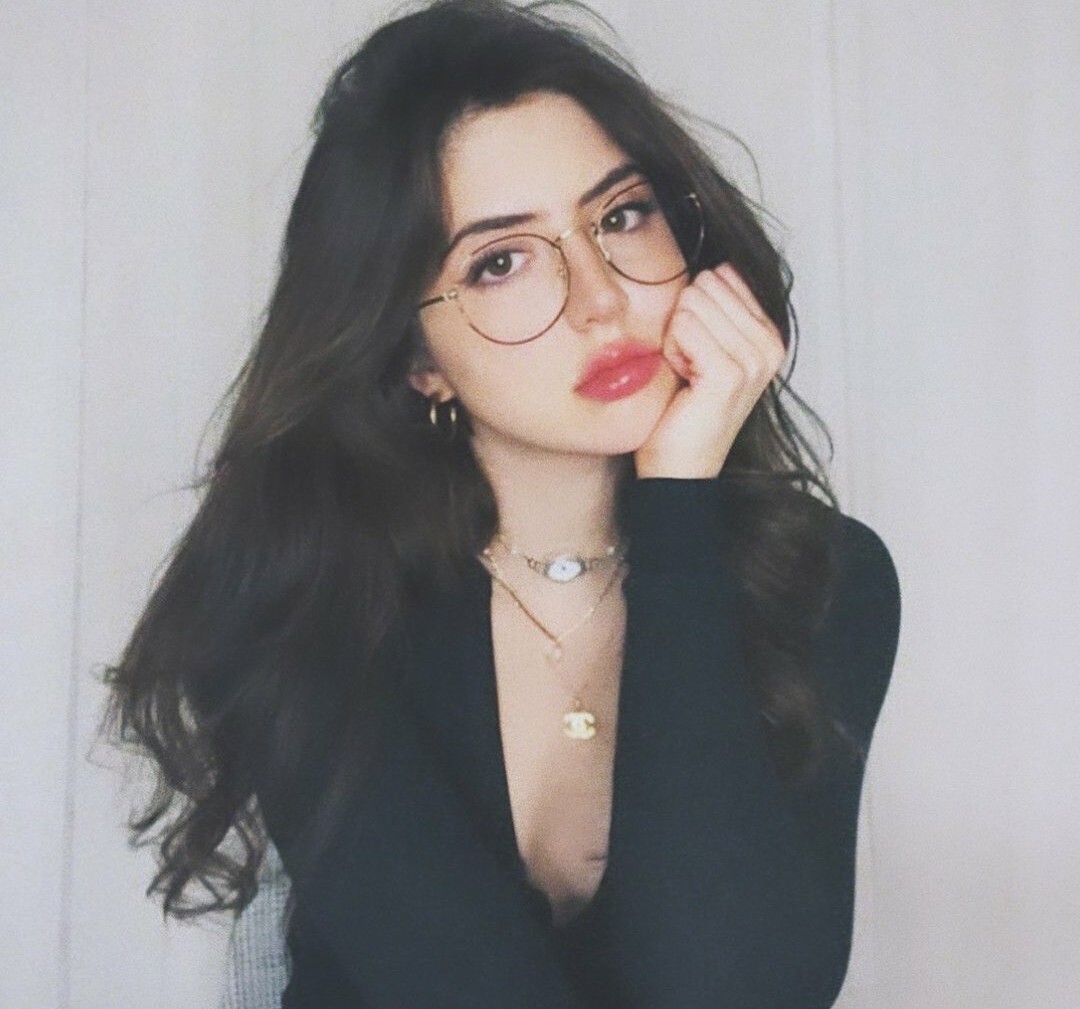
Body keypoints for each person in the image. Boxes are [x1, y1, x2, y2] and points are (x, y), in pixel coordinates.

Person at [106, 1, 901, 1006]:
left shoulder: (823, 577)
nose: (600, 298)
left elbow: (727, 987)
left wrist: (678, 506)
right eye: (500, 262)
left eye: (621, 216)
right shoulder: (301, 594)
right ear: (416, 357)